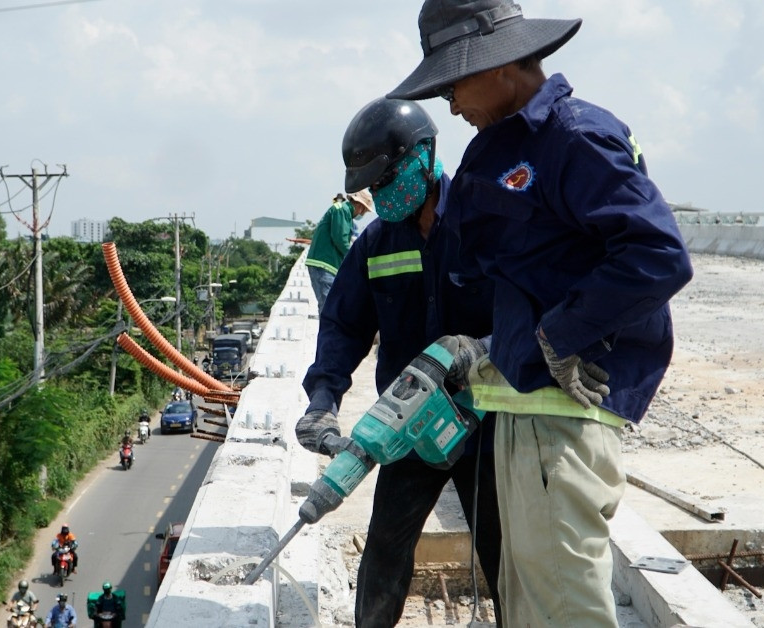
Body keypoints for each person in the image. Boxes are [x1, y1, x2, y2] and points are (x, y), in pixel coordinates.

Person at [387, 1, 694, 625]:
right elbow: (519, 275)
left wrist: (561, 332)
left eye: (454, 83)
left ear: (500, 66)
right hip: (518, 415)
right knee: (528, 607)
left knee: (565, 608)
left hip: (561, 427)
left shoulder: (573, 138)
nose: (450, 105)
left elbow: (658, 255)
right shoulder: (491, 156)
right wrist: (487, 344)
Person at [296, 97, 501, 627]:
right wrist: (323, 401)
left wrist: (485, 347)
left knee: (507, 557)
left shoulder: (489, 224)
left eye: (389, 180)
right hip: (410, 428)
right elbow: (344, 325)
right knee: (385, 551)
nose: (382, 196)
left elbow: (534, 313)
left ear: (425, 156)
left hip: (489, 426)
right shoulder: (376, 242)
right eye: (374, 187)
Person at [304, 188, 374, 312]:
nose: (362, 214)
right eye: (363, 211)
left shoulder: (344, 213)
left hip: (328, 265)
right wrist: (356, 260)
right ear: (359, 205)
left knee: (331, 305)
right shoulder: (341, 210)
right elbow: (340, 239)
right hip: (324, 264)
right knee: (328, 306)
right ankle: (327, 332)